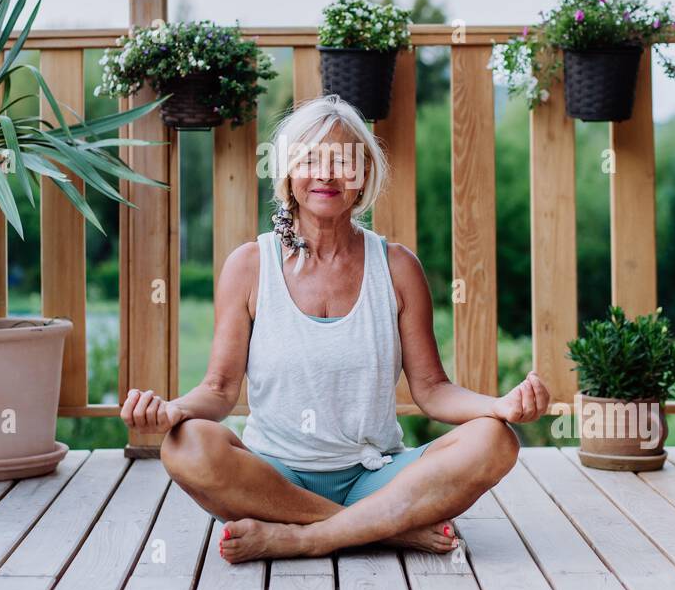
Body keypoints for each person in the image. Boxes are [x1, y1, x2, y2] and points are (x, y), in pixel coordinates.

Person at [121, 94, 551, 563]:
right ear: (287, 171)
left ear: (363, 175)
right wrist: (170, 411)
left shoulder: (398, 266)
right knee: (185, 448)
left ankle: (307, 537)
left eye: (343, 161)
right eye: (310, 159)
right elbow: (219, 390)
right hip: (274, 479)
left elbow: (433, 389)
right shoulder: (249, 266)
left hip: (376, 474)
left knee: (494, 441)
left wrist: (501, 406)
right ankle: (383, 528)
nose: (326, 175)